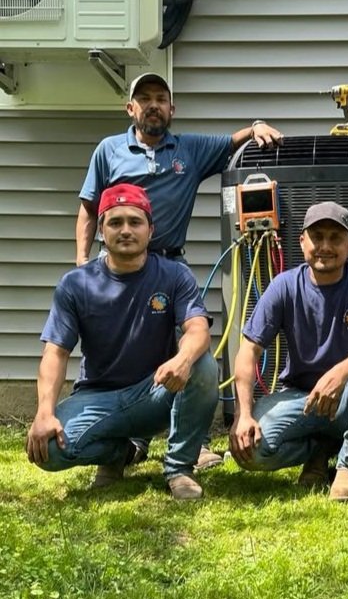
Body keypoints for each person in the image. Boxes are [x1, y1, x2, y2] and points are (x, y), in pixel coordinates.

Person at [75, 72, 283, 470]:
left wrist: (255, 127)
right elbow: (88, 207)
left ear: (172, 109)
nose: (153, 104)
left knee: (188, 347)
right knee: (115, 348)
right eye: (144, 98)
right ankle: (122, 443)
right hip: (115, 268)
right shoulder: (108, 150)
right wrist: (83, 261)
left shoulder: (188, 150)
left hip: (169, 265)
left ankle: (194, 442)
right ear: (130, 108)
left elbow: (231, 141)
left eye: (161, 98)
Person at [26, 184, 219, 500]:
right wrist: (44, 411)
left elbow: (198, 329)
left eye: (135, 221)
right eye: (115, 222)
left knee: (203, 365)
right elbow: (55, 352)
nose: (126, 230)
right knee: (48, 449)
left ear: (150, 229)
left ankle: (179, 468)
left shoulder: (174, 276)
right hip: (98, 397)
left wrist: (181, 360)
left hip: (154, 392)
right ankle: (121, 453)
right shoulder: (76, 284)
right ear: (101, 229)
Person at [229, 201, 348, 502]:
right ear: (302, 242)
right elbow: (248, 351)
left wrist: (339, 373)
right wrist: (242, 415)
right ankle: (320, 448)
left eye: (335, 238)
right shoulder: (283, 286)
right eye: (317, 236)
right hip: (302, 398)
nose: (325, 245)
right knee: (251, 451)